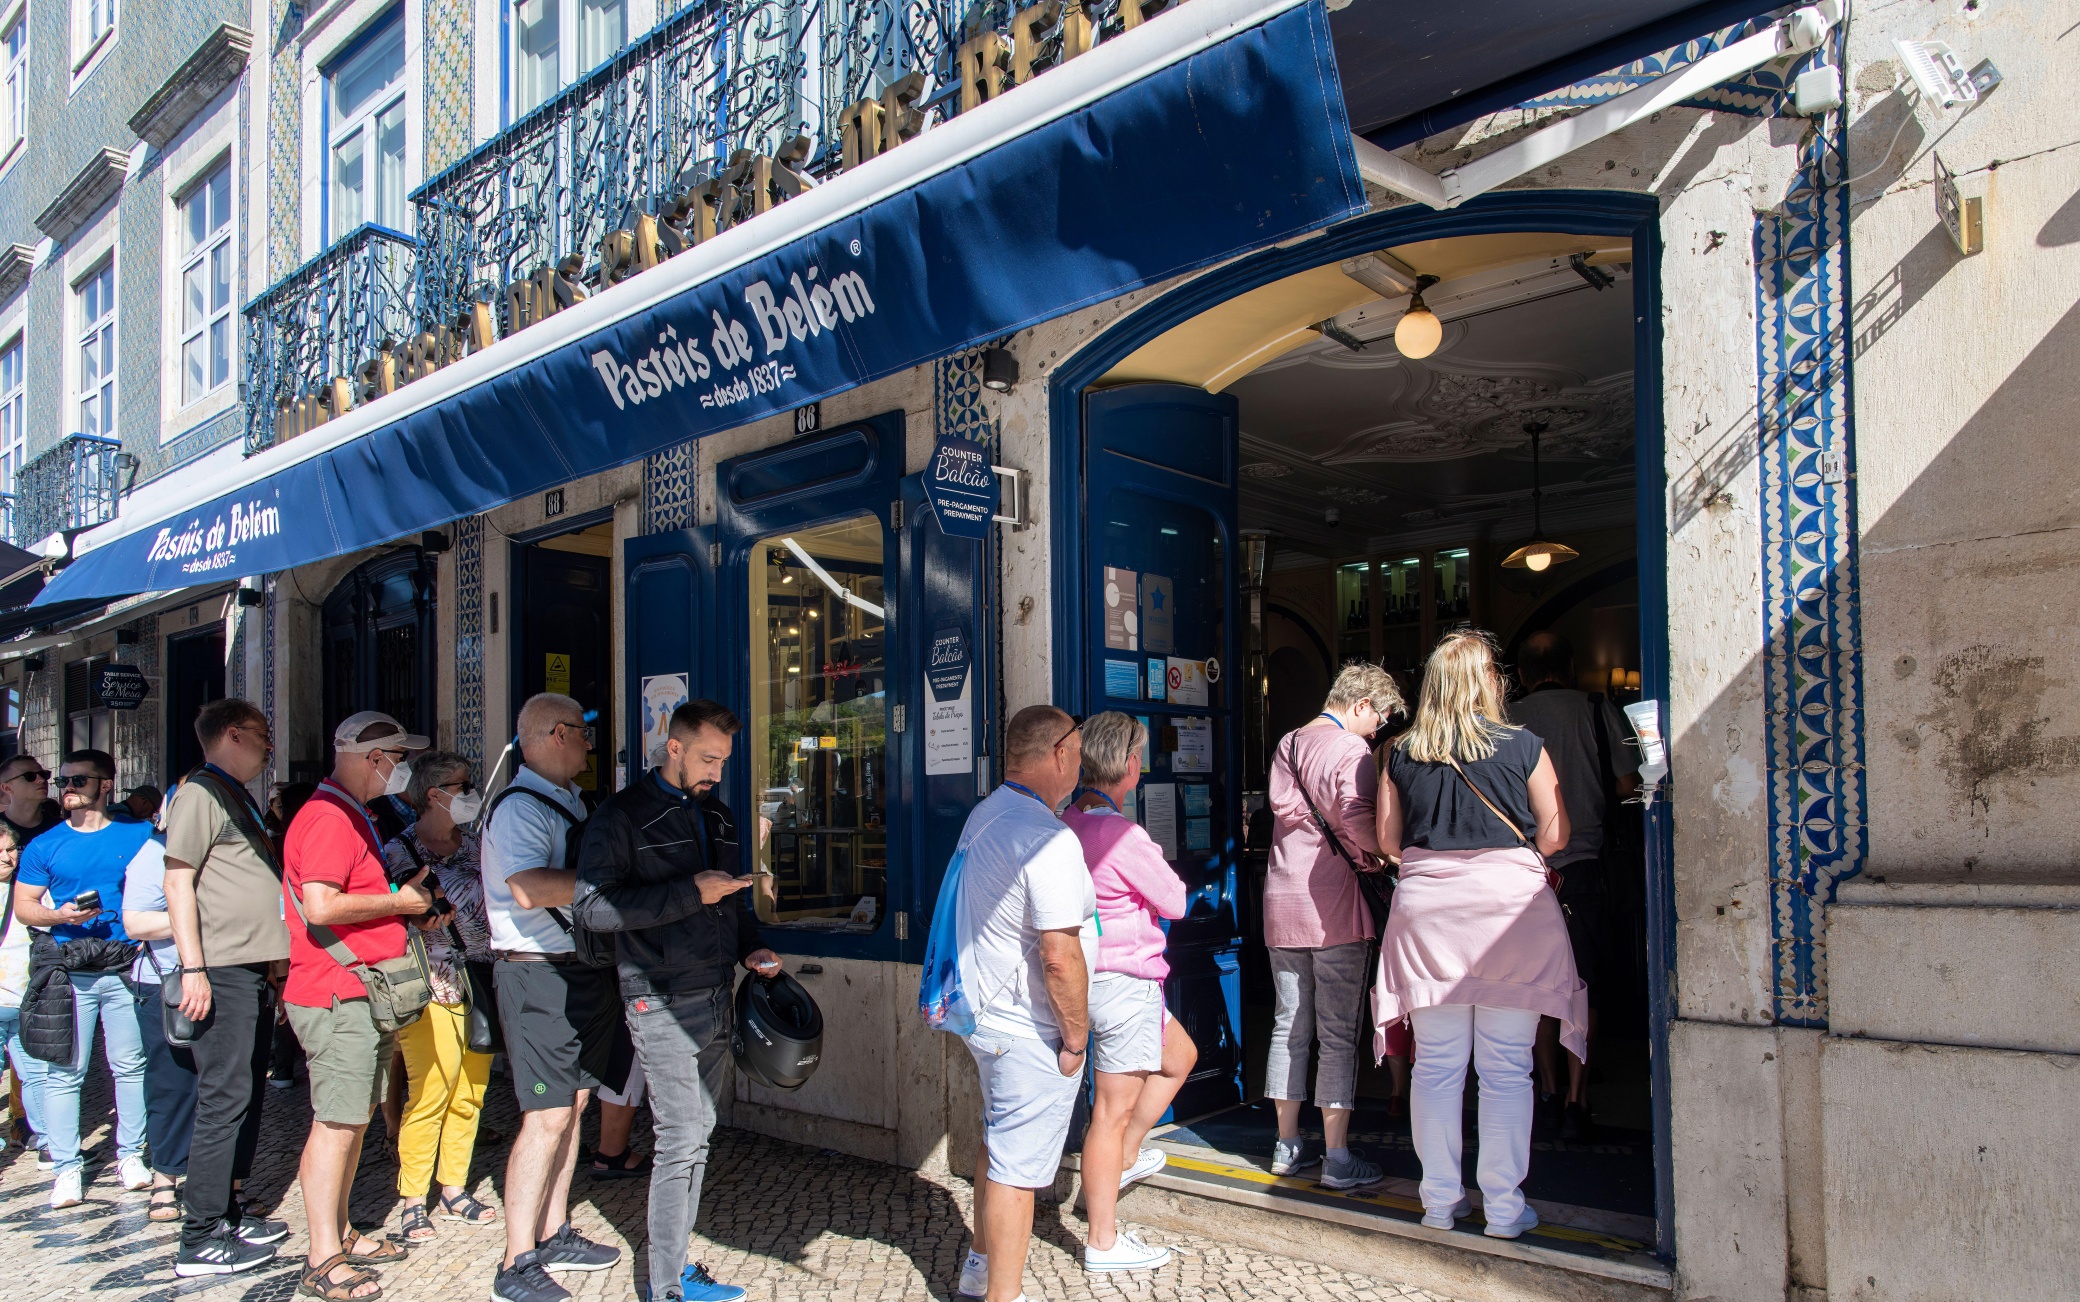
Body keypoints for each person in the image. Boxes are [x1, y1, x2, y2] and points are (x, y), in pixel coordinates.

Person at [1373, 630, 1583, 1240]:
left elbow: (1388, 843)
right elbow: (1557, 834)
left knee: (1436, 1068)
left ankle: (1439, 1203)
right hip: (1508, 919)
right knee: (1506, 1070)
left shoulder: (1401, 752)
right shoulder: (1524, 746)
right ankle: (1503, 1209)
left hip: (1428, 918)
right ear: (1490, 681)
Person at [573, 699, 779, 1302]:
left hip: (718, 990)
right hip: (657, 997)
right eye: (709, 758)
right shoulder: (620, 817)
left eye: (724, 760)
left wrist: (752, 951)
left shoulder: (720, 817)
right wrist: (690, 892)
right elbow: (591, 909)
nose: (717, 770)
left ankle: (676, 1269)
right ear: (674, 748)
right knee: (680, 1138)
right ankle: (666, 1286)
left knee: (699, 1133)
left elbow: (733, 903)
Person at [283, 711, 446, 1301]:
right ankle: (322, 1256)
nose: (401, 767)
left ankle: (343, 1232)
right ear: (374, 759)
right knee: (336, 1123)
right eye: (399, 755)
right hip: (336, 991)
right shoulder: (328, 817)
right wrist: (400, 901)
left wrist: (404, 907)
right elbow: (321, 905)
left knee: (350, 1120)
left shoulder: (349, 813)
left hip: (357, 991)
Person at [952, 705, 1095, 1302]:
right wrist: (1077, 1038)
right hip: (1026, 1026)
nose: (1082, 764)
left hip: (984, 1016)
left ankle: (980, 1267)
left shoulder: (986, 814)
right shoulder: (1047, 837)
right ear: (1059, 752)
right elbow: (1059, 955)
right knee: (1016, 1173)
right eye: (1079, 752)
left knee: (998, 1144)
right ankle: (1001, 1296)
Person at [482, 694, 622, 1302]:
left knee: (575, 1104)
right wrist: (613, 888)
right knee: (544, 1117)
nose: (591, 743)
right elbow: (527, 887)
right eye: (585, 732)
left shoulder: (567, 798)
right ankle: (516, 1262)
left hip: (579, 970)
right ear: (558, 733)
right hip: (535, 976)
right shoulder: (518, 809)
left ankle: (555, 1228)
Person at [162, 699, 297, 1274]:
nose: (270, 746)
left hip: (251, 968)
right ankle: (200, 1234)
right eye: (264, 735)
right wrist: (194, 968)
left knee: (245, 1093)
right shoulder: (200, 793)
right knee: (223, 1099)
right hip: (219, 970)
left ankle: (230, 1208)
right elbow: (177, 880)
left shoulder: (232, 793)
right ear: (235, 735)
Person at [1060, 712, 1196, 1274]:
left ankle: (1128, 1156)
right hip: (1126, 984)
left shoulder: (1068, 821)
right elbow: (1176, 900)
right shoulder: (1124, 835)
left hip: (1087, 980)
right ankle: (1103, 1242)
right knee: (1110, 1116)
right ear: (1130, 765)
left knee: (1180, 1056)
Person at [1261, 664, 1403, 1189]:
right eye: (1380, 717)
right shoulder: (1351, 752)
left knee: (1288, 1025)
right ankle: (1338, 1158)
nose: (1379, 729)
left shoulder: (1290, 742)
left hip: (1283, 899)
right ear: (1361, 703)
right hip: (1334, 905)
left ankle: (1286, 1144)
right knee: (1339, 1035)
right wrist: (1391, 854)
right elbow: (1358, 823)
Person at [1508, 632, 1637, 1139]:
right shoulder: (1596, 708)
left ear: (1521, 674)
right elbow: (1628, 785)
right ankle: (1578, 1100)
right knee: (1583, 985)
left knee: (1535, 988)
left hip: (1523, 871)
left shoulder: (1507, 720)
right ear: (1572, 666)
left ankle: (1548, 1088)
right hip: (1584, 865)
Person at [12, 749, 155, 1208]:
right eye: (63, 782)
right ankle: (66, 1168)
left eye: (78, 781)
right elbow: (24, 907)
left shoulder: (140, 836)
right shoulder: (44, 845)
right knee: (63, 1071)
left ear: (105, 785)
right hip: (69, 967)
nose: (67, 789)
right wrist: (59, 914)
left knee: (129, 1066)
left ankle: (130, 1156)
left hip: (125, 964)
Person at [380, 751, 500, 1242]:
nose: (471, 792)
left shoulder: (477, 845)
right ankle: (413, 1198)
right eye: (463, 784)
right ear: (435, 794)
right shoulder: (398, 851)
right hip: (429, 981)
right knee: (432, 1088)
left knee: (471, 1090)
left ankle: (453, 1187)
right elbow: (398, 909)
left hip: (479, 978)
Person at [122, 833, 196, 1223]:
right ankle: (165, 1178)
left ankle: (223, 1182)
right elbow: (134, 922)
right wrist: (195, 915)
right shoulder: (153, 853)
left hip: (227, 977)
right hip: (167, 983)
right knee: (172, 1082)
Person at [0, 835, 49, 1164]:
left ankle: (49, 1141)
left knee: (37, 1075)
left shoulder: (29, 891)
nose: (7, 857)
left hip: (25, 1001)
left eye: (10, 849)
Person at [0, 754, 62, 850]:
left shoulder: (61, 829)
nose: (41, 780)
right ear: (7, 788)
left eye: (43, 774)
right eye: (29, 776)